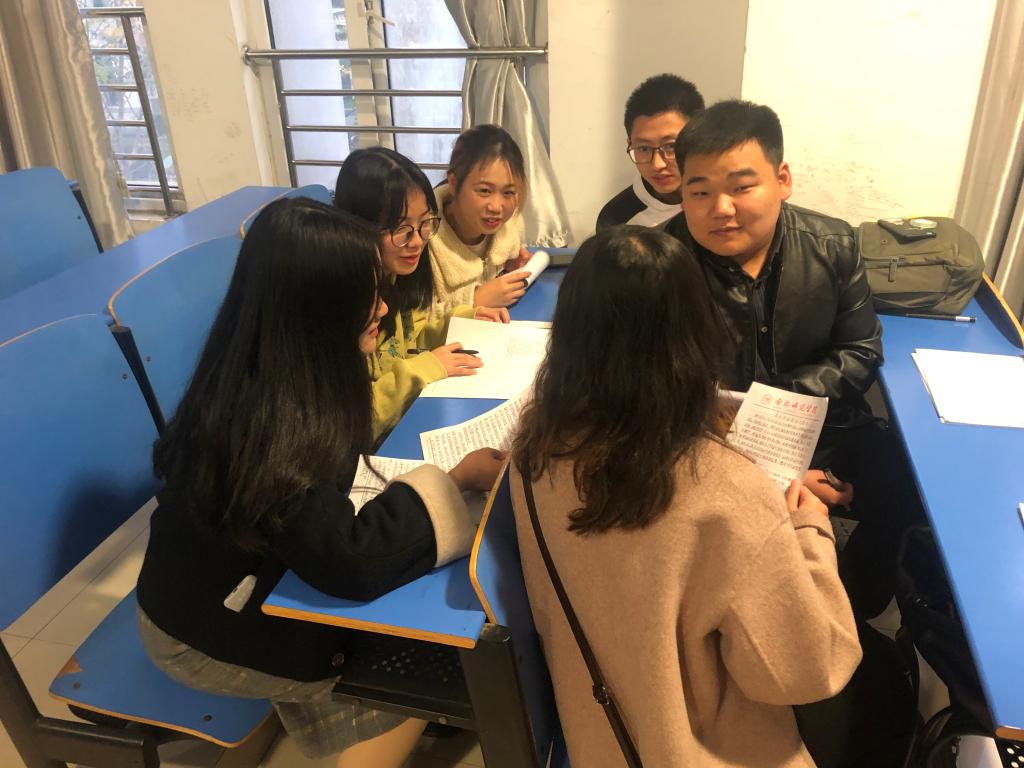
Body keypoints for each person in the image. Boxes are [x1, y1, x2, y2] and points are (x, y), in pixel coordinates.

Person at [136, 197, 505, 768]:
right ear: (318, 310)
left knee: (414, 633)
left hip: (240, 580)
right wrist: (451, 484)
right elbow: (349, 563)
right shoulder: (270, 424)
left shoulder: (283, 369)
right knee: (404, 679)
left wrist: (450, 484)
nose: (383, 307)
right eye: (367, 297)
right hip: (199, 628)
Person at [510, 226, 862, 767]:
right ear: (696, 332)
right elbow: (806, 671)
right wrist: (809, 530)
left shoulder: (535, 450)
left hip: (598, 743)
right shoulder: (728, 494)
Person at [663, 99, 922, 622]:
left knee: (906, 489)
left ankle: (851, 609)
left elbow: (860, 350)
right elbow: (657, 386)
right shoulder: (661, 262)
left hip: (825, 427)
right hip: (706, 441)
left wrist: (782, 416)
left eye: (741, 187)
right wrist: (773, 469)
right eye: (700, 192)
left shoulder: (833, 244)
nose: (721, 209)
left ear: (782, 179)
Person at [333, 147, 507, 440]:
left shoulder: (397, 276)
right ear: (357, 225)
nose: (417, 241)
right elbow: (357, 419)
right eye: (401, 228)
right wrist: (424, 368)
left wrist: (462, 321)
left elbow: (410, 337)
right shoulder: (347, 304)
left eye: (425, 223)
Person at [429, 124, 533, 315]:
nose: (496, 207)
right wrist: (473, 300)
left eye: (508, 192)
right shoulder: (422, 238)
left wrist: (508, 267)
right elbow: (413, 320)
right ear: (453, 183)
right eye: (484, 191)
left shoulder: (511, 225)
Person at [595, 74, 705, 231]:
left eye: (671, 146)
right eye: (644, 148)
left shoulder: (726, 199)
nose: (657, 165)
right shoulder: (618, 220)